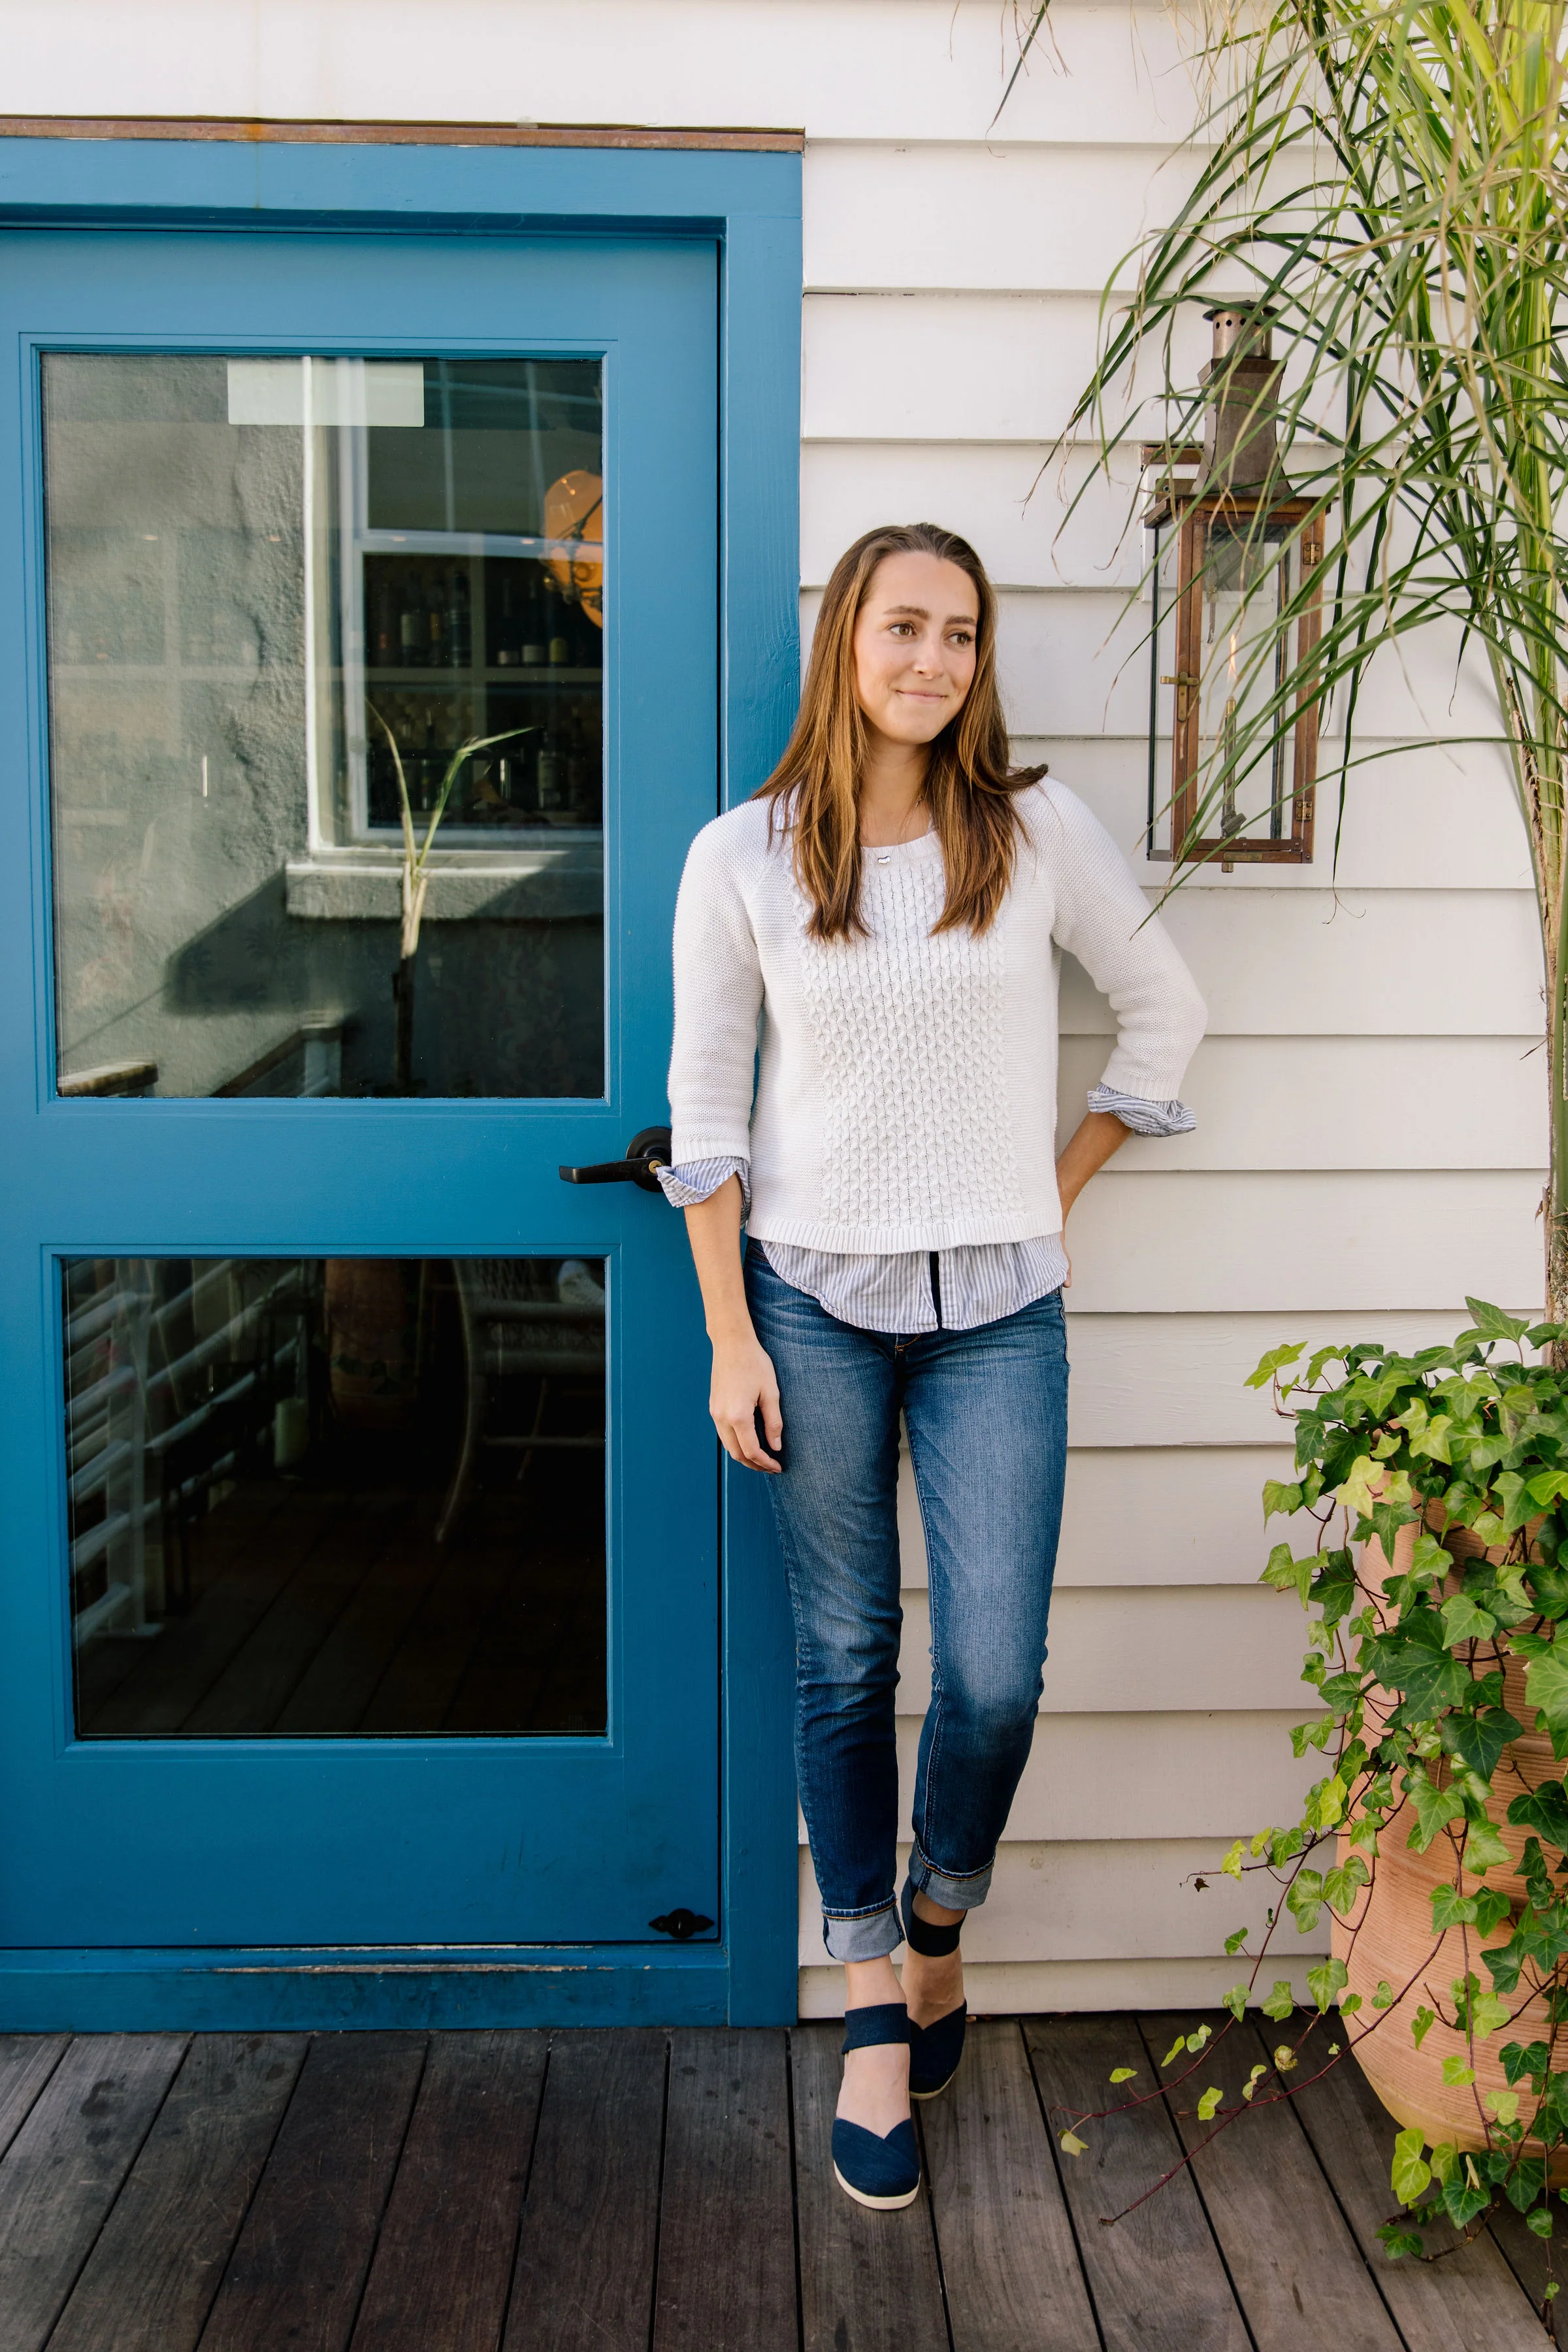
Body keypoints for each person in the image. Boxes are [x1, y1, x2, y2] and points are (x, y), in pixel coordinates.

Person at [659, 523, 1206, 2210]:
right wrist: (729, 1335)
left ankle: (946, 1912)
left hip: (999, 1322)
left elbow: (1166, 1010)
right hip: (811, 1309)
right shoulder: (742, 858)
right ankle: (875, 1998)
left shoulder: (1033, 833)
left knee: (991, 1677)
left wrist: (1046, 1195)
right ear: (847, 645)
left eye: (961, 635)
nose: (935, 661)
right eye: (905, 627)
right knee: (844, 1660)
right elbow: (706, 1111)